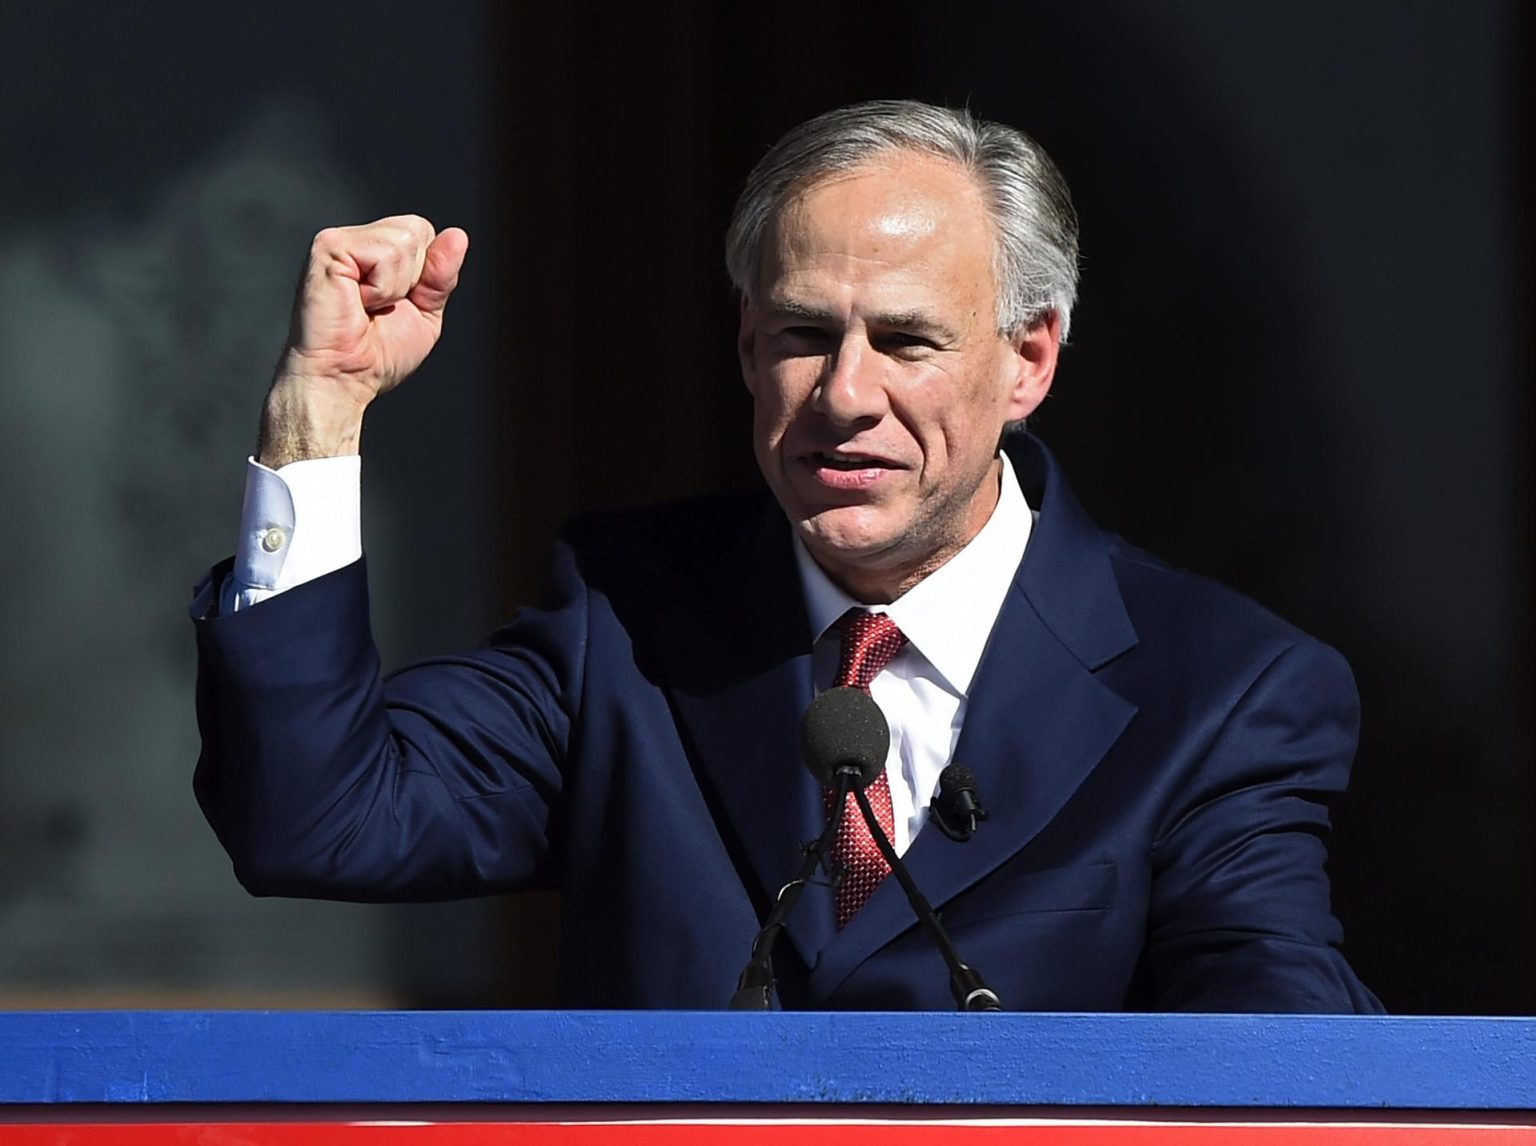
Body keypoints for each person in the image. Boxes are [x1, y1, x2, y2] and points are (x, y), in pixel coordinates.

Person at [192, 100, 1380, 1012]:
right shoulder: (627, 619)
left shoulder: (1222, 690)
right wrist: (320, 413)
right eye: (805, 337)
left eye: (906, 340)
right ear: (749, 347)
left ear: (1029, 361)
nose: (845, 395)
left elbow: (1275, 1043)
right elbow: (314, 817)